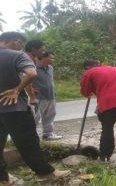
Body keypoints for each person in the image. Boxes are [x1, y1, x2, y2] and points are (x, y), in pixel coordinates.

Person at [0, 32, 70, 185]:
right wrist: (17, 90)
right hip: (14, 108)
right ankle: (45, 172)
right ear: (14, 41)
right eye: (20, 43)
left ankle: (2, 179)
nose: (21, 46)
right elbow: (31, 73)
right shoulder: (17, 55)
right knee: (28, 142)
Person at [32, 51, 62, 140]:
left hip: (51, 95)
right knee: (35, 117)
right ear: (43, 58)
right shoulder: (33, 68)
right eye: (51, 58)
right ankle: (32, 135)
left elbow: (51, 80)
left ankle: (48, 134)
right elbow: (23, 78)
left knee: (50, 115)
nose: (53, 60)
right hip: (39, 97)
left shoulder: (50, 68)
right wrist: (31, 89)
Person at [24, 40, 47, 106]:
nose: (44, 53)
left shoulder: (27, 57)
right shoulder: (28, 59)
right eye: (42, 50)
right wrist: (32, 97)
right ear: (33, 49)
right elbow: (27, 77)